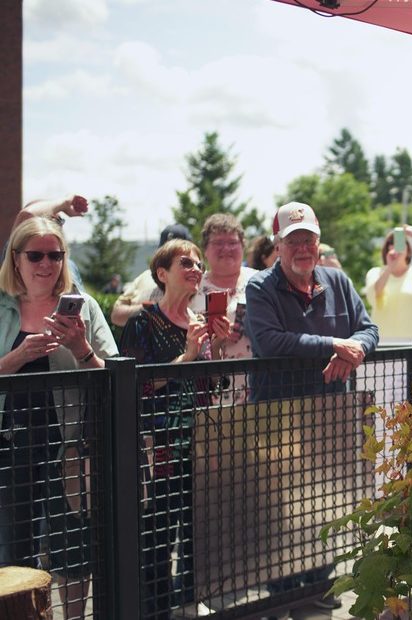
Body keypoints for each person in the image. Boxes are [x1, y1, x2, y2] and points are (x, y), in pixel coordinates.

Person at [245, 202, 378, 616]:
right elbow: (270, 341)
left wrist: (353, 351)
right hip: (277, 418)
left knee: (325, 501)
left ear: (318, 242)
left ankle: (321, 587)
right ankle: (284, 595)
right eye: (293, 241)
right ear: (278, 245)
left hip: (330, 417)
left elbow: (368, 329)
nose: (303, 248)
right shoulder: (260, 288)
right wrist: (333, 345)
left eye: (309, 239)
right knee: (278, 510)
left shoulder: (338, 280)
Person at [0, 217, 117, 620]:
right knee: (13, 547)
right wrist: (20, 356)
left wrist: (81, 346)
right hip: (9, 446)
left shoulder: (84, 306)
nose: (45, 264)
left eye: (55, 254)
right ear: (16, 260)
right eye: (35, 255)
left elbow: (112, 373)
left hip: (67, 443)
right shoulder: (1, 308)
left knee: (71, 547)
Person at [119, 239, 230, 620]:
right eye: (186, 262)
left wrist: (216, 344)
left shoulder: (198, 324)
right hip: (159, 446)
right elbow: (137, 384)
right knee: (159, 533)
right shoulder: (143, 321)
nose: (196, 268)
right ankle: (156, 610)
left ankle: (188, 602)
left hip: (198, 443)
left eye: (199, 263)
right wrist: (187, 356)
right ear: (162, 274)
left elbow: (213, 385)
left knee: (197, 531)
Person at [189, 214, 257, 404]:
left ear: (243, 245)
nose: (226, 248)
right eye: (218, 243)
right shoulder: (191, 285)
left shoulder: (260, 281)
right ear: (205, 249)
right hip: (206, 391)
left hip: (256, 389)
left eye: (233, 242)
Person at [363, 225, 412, 343]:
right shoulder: (375, 272)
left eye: (400, 242)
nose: (395, 245)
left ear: (408, 249)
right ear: (386, 249)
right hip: (383, 342)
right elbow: (374, 295)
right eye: (391, 242)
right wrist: (390, 267)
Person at [111, 224, 192, 327]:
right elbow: (116, 315)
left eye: (177, 255)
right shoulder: (145, 276)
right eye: (165, 253)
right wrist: (148, 309)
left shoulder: (198, 280)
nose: (168, 259)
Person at [3, 195, 88, 290]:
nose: (46, 263)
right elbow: (27, 215)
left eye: (55, 256)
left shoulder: (69, 266)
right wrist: (64, 204)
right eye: (35, 256)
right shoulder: (14, 250)